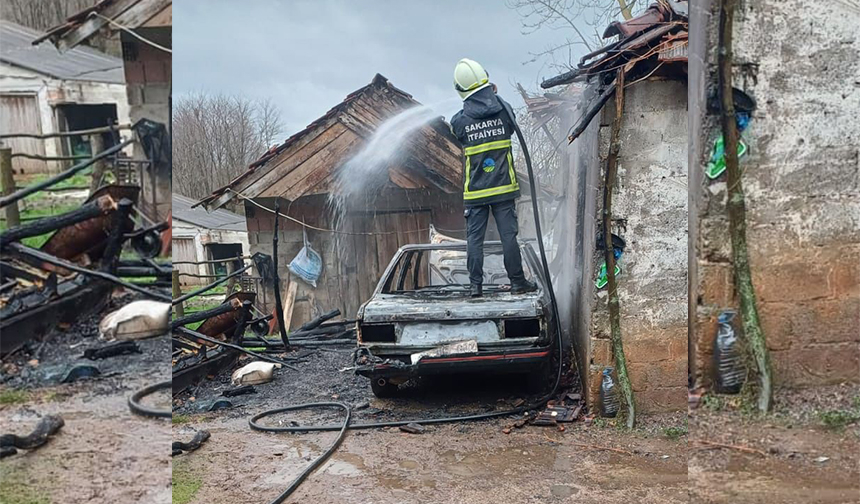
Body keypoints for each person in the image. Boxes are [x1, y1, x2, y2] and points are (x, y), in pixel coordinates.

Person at [450, 58, 537, 298]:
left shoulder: (459, 120)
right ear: (487, 82)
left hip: (475, 192)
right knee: (508, 237)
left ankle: (475, 287)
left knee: (474, 241)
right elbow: (510, 127)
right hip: (503, 188)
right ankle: (518, 283)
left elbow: (458, 133)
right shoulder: (504, 110)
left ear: (461, 89)